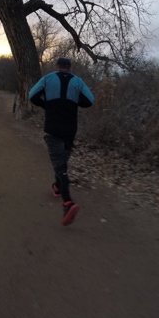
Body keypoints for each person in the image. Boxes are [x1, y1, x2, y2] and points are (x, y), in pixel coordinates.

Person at [29, 57, 94, 226]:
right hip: (70, 130)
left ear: (56, 67)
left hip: (52, 129)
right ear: (69, 68)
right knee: (63, 160)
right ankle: (58, 187)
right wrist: (73, 104)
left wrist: (46, 105)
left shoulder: (47, 78)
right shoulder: (77, 81)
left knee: (59, 165)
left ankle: (68, 202)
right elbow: (89, 101)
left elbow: (32, 96)